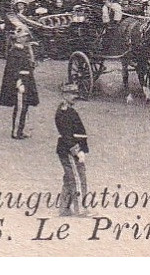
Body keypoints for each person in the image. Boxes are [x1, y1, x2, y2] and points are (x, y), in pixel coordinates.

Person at [0, 27, 40, 139]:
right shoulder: (15, 52)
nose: (26, 38)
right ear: (19, 39)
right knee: (20, 107)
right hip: (20, 83)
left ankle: (23, 129)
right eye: (23, 37)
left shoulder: (24, 50)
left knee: (25, 107)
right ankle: (16, 132)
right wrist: (18, 83)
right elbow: (12, 70)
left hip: (27, 81)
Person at [55, 84, 90, 216]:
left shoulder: (67, 110)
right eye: (71, 94)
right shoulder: (64, 112)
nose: (74, 97)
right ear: (64, 95)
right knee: (77, 179)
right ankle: (80, 209)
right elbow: (67, 135)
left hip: (67, 150)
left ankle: (64, 208)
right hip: (69, 151)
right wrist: (78, 151)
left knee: (69, 179)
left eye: (75, 94)